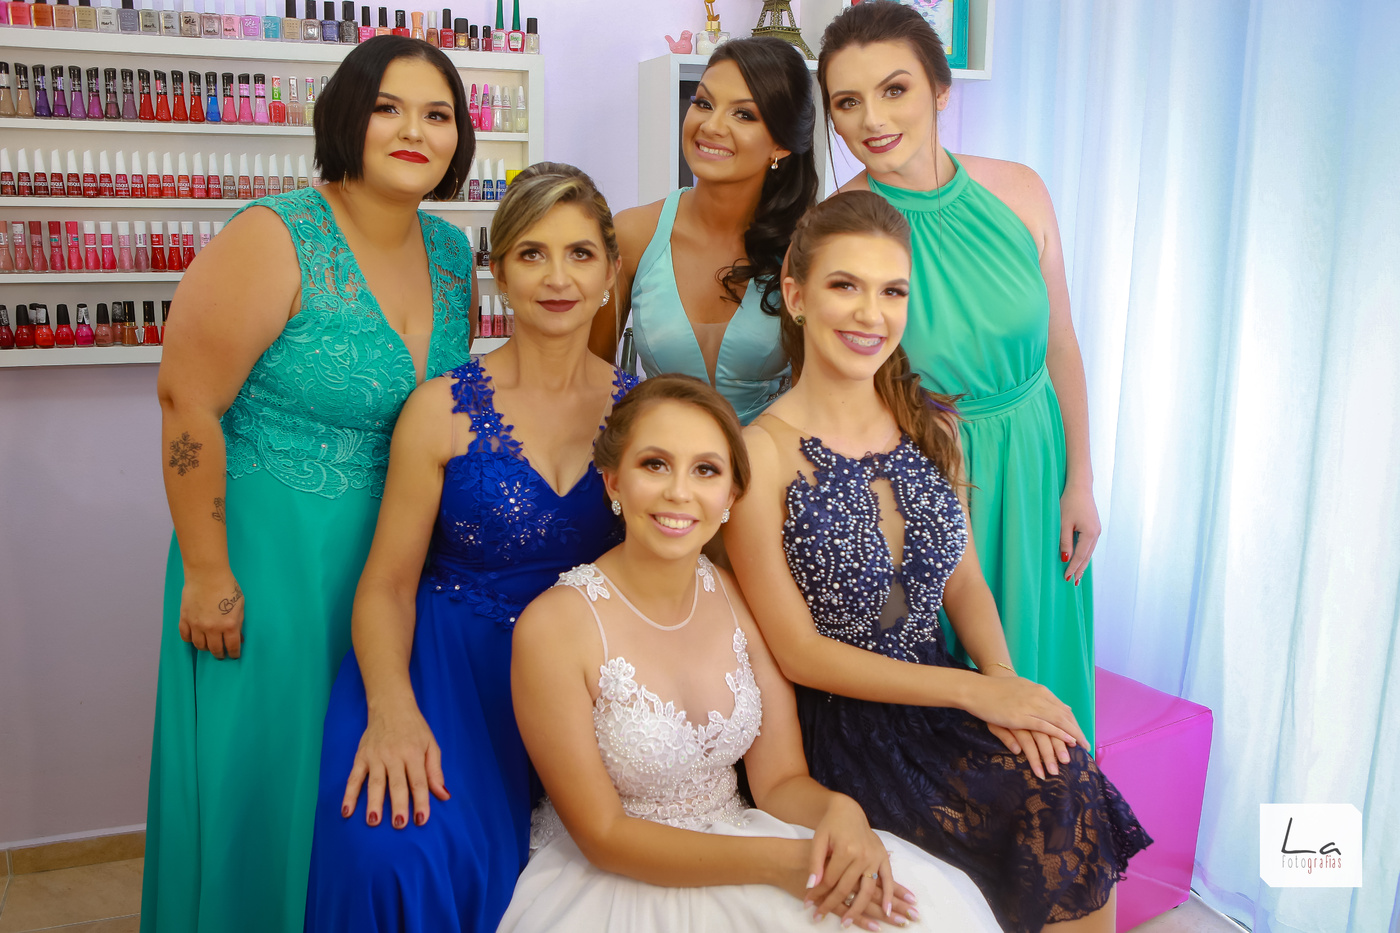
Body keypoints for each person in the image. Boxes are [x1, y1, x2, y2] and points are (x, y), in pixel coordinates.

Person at [726, 192, 1151, 933]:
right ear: (795, 296)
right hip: (841, 727)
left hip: (939, 699)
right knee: (1043, 803)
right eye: (845, 285)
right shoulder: (757, 455)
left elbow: (964, 581)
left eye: (892, 291)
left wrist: (1004, 682)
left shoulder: (931, 426)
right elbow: (797, 654)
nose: (871, 313)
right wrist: (975, 693)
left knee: (1065, 776)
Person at [142, 36, 475, 933]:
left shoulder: (452, 255)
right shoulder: (275, 233)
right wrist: (207, 569)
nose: (414, 131)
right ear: (346, 117)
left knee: (356, 790)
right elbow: (187, 401)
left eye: (437, 114)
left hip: (392, 562)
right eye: (389, 108)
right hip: (268, 560)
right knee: (264, 780)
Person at [498, 375, 1000, 933]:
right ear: (613, 479)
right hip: (617, 880)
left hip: (746, 838)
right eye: (655, 464)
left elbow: (780, 781)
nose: (679, 492)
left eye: (706, 470)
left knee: (913, 915)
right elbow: (604, 836)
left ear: (732, 496)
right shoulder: (554, 628)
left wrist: (840, 812)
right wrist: (783, 864)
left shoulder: (735, 597)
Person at [303, 162, 637, 932]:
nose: (558, 277)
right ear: (499, 271)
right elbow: (387, 583)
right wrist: (391, 709)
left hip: (578, 680)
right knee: (391, 858)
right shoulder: (438, 409)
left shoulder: (642, 412)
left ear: (610, 271)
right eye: (532, 253)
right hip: (446, 671)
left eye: (580, 254)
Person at [816, 0, 1101, 745]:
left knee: (1045, 685)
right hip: (926, 482)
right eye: (847, 102)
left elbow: (1061, 343)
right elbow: (836, 402)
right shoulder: (836, 230)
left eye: (895, 89)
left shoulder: (1021, 191)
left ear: (941, 90)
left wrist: (1080, 479)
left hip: (1035, 464)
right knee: (965, 717)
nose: (873, 119)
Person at [589, 37, 817, 424]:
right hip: (656, 455)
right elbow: (594, 378)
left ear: (780, 144)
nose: (710, 126)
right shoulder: (633, 234)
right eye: (703, 103)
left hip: (774, 455)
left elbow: (817, 399)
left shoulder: (808, 246)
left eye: (743, 114)